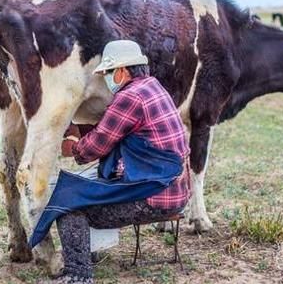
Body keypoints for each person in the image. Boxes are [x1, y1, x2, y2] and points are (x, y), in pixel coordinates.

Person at [32, 40, 191, 284]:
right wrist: (83, 130)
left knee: (70, 205)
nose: (107, 78)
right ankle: (85, 254)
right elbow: (118, 129)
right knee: (86, 190)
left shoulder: (130, 97)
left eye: (108, 73)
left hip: (155, 196)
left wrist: (72, 146)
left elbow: (97, 145)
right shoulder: (152, 86)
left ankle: (78, 275)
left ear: (121, 71)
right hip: (174, 190)